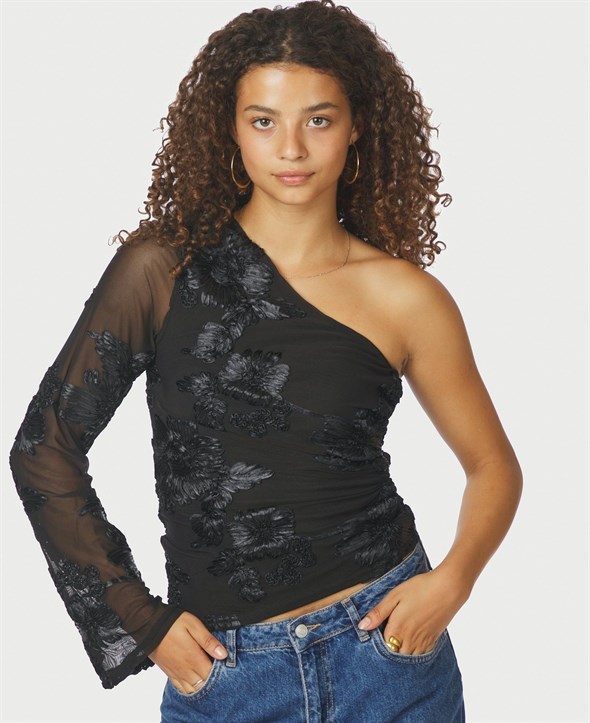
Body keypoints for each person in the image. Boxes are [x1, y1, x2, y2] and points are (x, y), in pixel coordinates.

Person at [8, 1, 523, 721]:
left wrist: (454, 581)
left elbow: (493, 465)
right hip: (224, 673)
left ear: (356, 125)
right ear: (230, 128)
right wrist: (142, 619)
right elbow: (44, 447)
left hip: (389, 653)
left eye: (319, 119)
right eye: (263, 121)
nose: (291, 148)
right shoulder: (163, 270)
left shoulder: (407, 297)